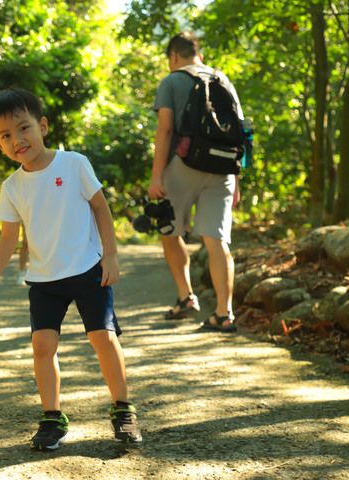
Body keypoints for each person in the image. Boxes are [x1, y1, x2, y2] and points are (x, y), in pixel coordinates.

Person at [0, 87, 142, 450]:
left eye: (23, 128)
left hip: (88, 270)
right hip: (45, 280)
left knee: (103, 338)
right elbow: (7, 240)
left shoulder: (74, 163)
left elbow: (101, 208)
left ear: (42, 126)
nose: (17, 139)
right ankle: (52, 417)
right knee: (42, 344)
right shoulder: (12, 187)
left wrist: (110, 255)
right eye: (5, 135)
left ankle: (123, 410)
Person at [148, 31, 242, 333]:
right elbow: (240, 132)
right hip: (223, 168)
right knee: (217, 242)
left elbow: (165, 130)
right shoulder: (223, 80)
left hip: (184, 165)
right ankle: (224, 314)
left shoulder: (171, 80)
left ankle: (186, 296)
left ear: (173, 56)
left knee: (169, 228)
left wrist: (156, 177)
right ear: (198, 52)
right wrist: (236, 181)